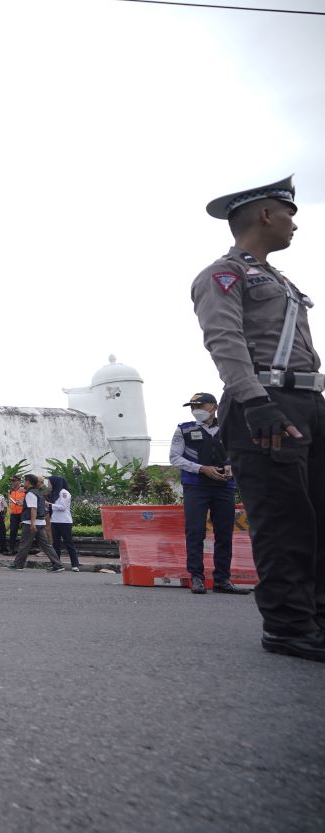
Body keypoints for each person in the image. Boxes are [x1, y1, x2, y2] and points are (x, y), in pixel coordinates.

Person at [191, 175, 322, 660]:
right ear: (265, 214)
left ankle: (316, 620)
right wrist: (254, 401)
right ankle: (288, 626)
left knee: (319, 518)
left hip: (307, 403)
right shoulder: (223, 275)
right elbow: (224, 340)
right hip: (265, 405)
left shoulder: (284, 282)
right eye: (288, 213)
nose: (294, 225)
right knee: (285, 519)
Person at [169, 392, 246, 595]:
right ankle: (197, 577)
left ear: (214, 406)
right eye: (193, 407)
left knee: (224, 533)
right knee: (195, 532)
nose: (196, 411)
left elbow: (241, 453)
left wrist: (232, 467)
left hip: (224, 486)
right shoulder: (184, 429)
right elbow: (174, 458)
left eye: (200, 406)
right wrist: (202, 468)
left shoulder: (230, 428)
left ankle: (222, 579)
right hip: (196, 486)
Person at [11, 474, 64, 572]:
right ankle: (58, 564)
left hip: (31, 522)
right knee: (46, 545)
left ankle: (18, 564)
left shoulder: (30, 493)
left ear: (28, 482)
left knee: (24, 544)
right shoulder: (38, 492)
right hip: (40, 522)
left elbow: (33, 509)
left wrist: (32, 523)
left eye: (25, 481)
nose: (24, 483)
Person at [47, 475, 81, 572]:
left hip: (64, 521)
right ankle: (56, 564)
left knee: (69, 543)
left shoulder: (64, 493)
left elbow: (63, 507)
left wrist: (49, 505)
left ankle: (75, 564)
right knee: (55, 544)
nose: (48, 484)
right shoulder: (54, 493)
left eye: (49, 482)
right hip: (54, 520)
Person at [7, 475, 25, 554]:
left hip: (23, 513)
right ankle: (12, 549)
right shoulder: (10, 491)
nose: (12, 482)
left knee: (25, 532)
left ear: (18, 481)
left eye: (14, 481)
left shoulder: (24, 490)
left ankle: (23, 550)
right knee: (13, 531)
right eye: (11, 481)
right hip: (14, 514)